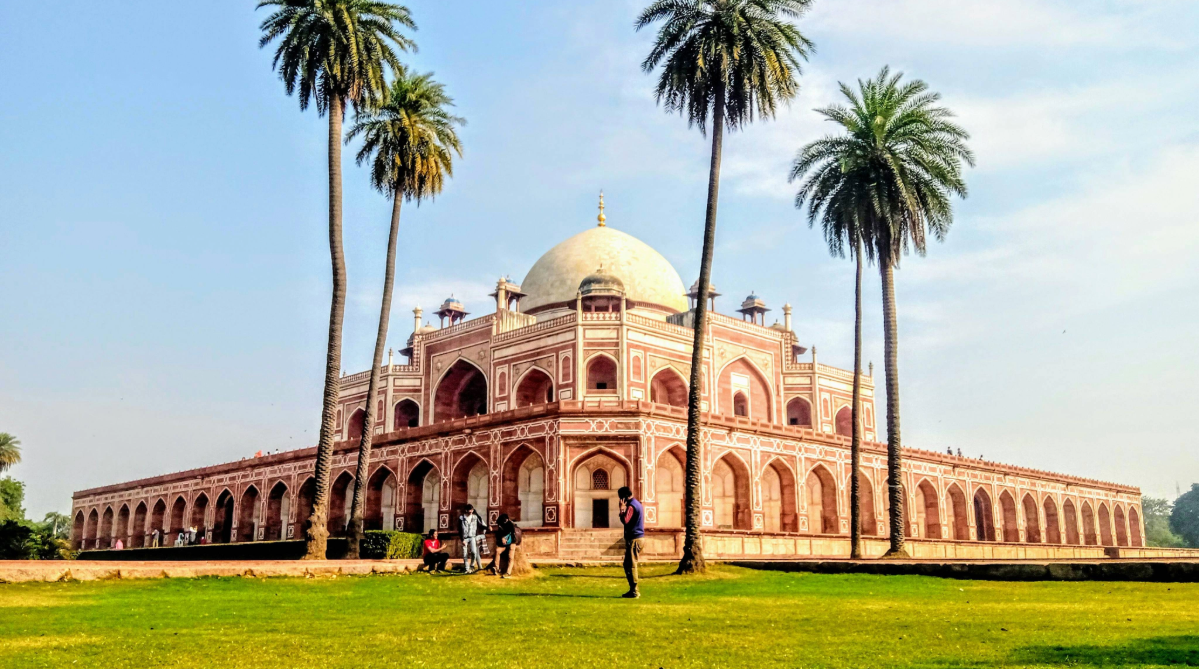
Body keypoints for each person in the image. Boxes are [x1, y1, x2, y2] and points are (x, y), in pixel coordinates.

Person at [617, 486, 644, 599]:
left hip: (635, 539)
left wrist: (622, 509)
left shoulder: (632, 506)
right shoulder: (637, 503)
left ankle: (634, 591)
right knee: (627, 564)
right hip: (637, 538)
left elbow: (626, 521)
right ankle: (632, 589)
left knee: (631, 565)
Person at [458, 505, 485, 574]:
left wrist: (487, 528)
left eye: (472, 510)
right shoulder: (461, 518)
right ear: (466, 510)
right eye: (469, 510)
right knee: (465, 554)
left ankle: (472, 565)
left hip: (472, 536)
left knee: (474, 552)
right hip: (465, 537)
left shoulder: (475, 517)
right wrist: (462, 539)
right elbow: (460, 530)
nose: (471, 511)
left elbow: (480, 525)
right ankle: (467, 568)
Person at [489, 513, 517, 579]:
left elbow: (510, 533)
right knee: (497, 551)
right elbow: (498, 533)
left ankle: (508, 572)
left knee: (510, 557)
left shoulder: (510, 525)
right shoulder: (500, 524)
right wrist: (492, 529)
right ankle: (496, 568)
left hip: (512, 542)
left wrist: (505, 538)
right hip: (503, 544)